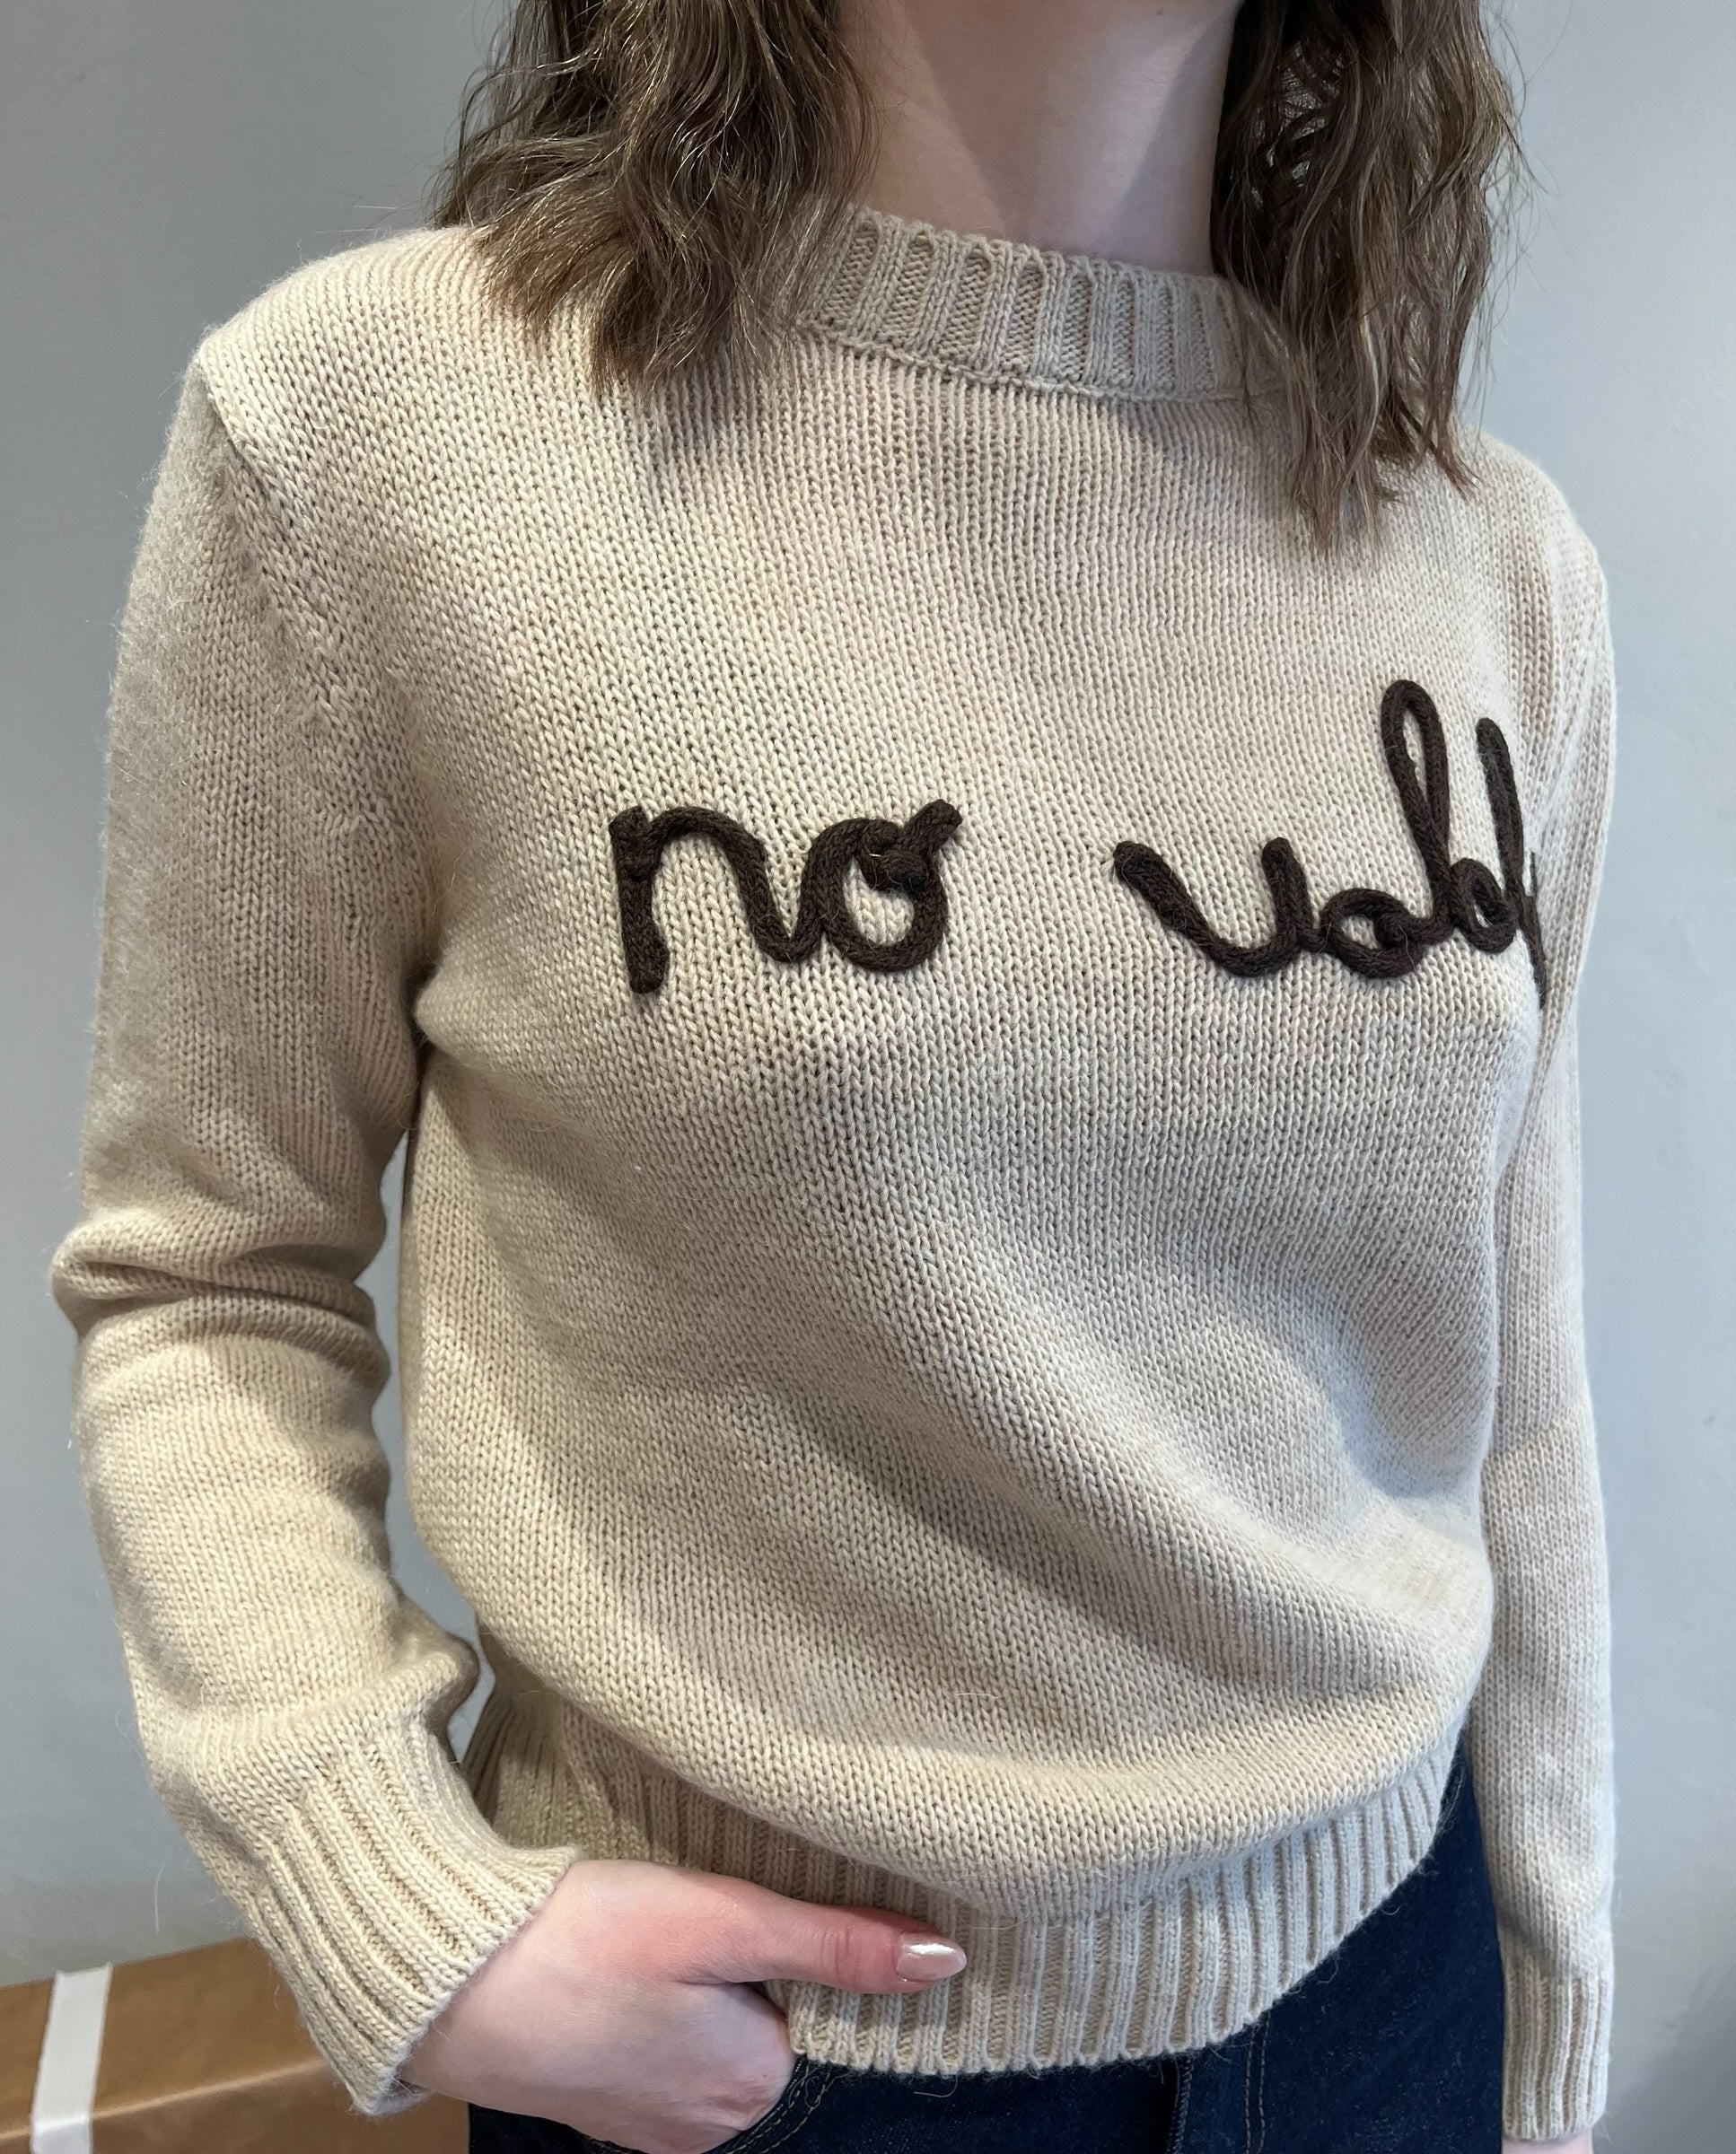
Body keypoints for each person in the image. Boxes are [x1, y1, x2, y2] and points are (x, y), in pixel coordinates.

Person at [48, 2, 1618, 2150]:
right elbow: (208, 1280)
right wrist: (398, 1900)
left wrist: (1545, 2004)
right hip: (775, 2068)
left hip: (1387, 2004)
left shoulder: (1492, 561)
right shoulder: (375, 443)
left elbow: (1511, 1386)